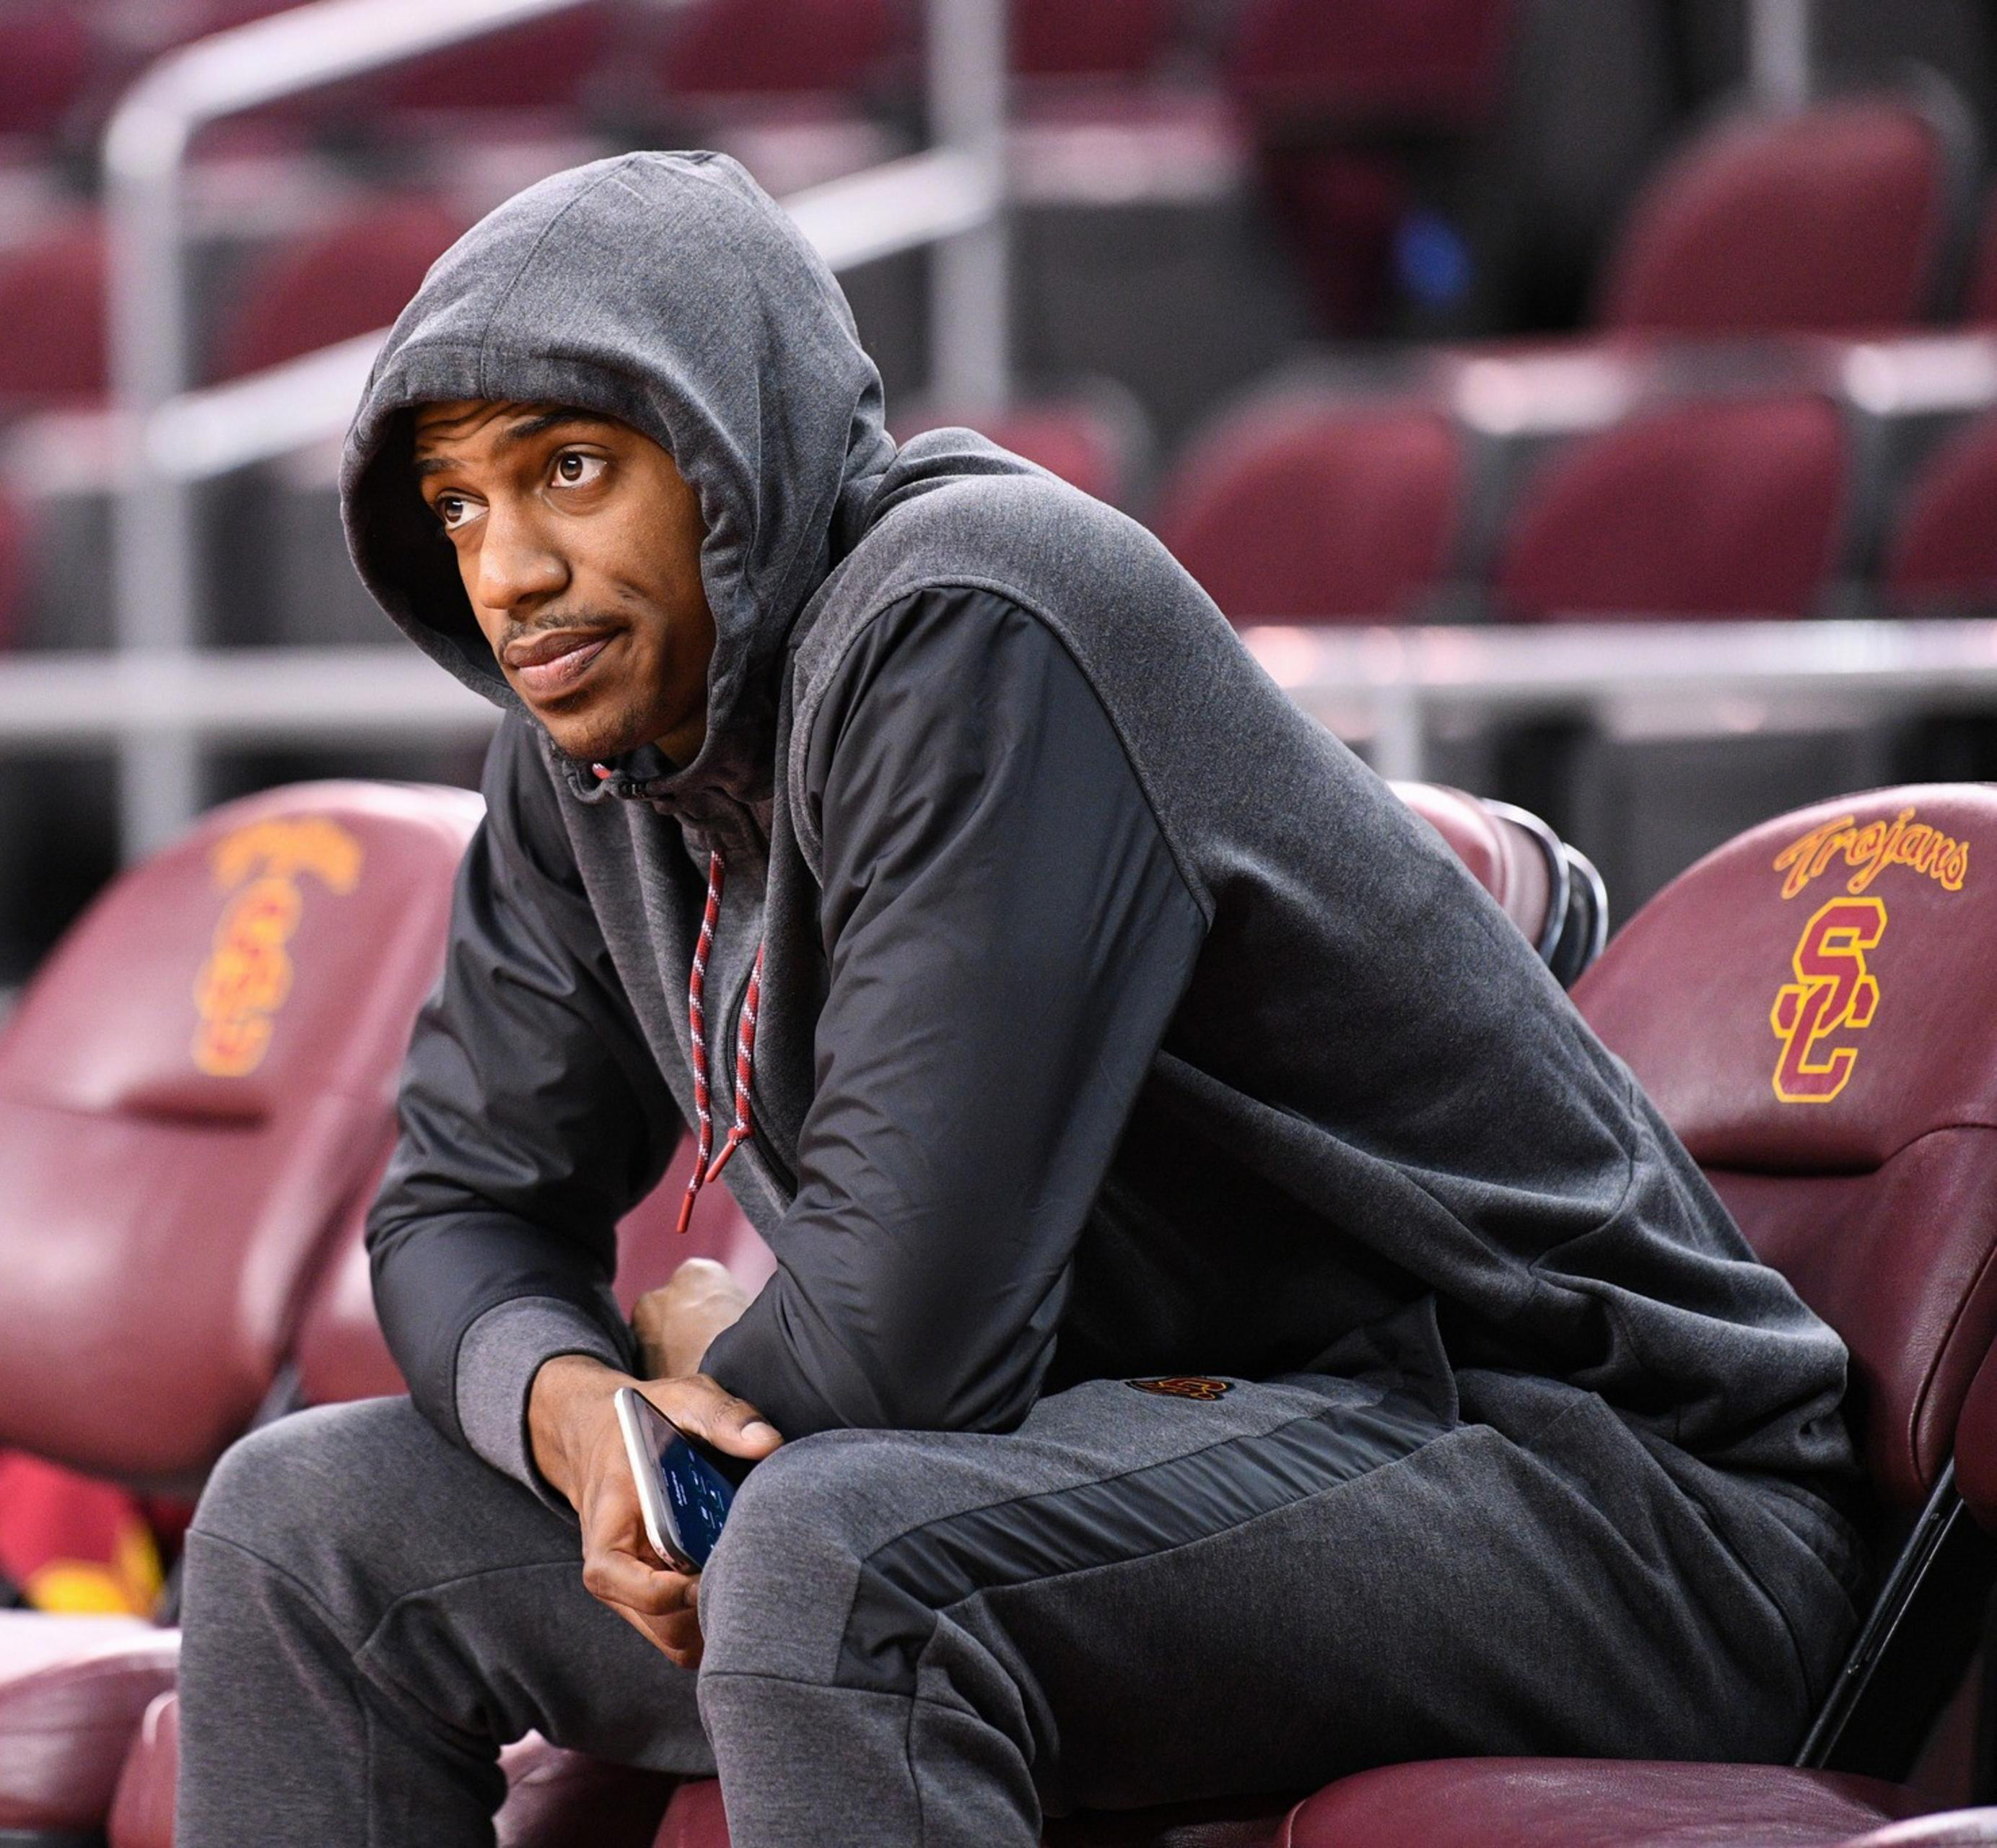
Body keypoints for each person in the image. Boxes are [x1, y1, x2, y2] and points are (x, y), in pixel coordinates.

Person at [172, 152, 1861, 1848]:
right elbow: (455, 1208)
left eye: (571, 471)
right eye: (460, 506)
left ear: (725, 454)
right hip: (1149, 1451)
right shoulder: (583, 754)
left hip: (1596, 1495)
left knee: (833, 1558)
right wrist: (587, 1416)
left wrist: (691, 1398)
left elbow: (905, 1338)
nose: (511, 570)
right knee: (300, 1528)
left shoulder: (979, 615)